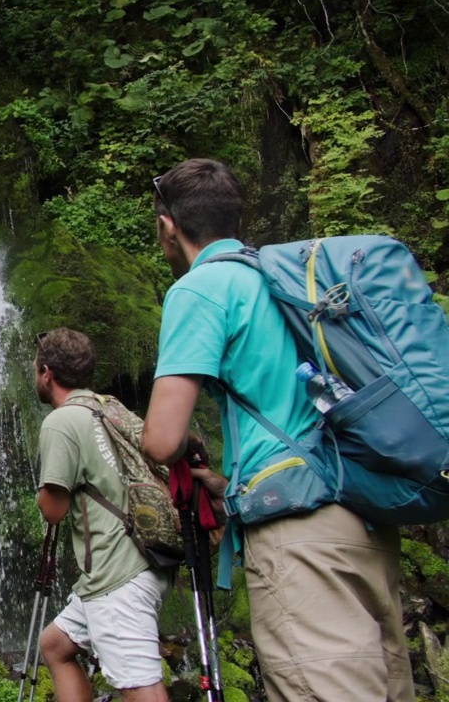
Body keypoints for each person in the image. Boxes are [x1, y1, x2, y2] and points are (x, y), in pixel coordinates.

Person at [139, 158, 414, 701]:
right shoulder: (282, 280)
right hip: (364, 519)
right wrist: (226, 483)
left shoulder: (202, 289)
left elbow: (161, 440)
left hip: (302, 539)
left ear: (169, 227)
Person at [31, 328, 168, 702]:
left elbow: (53, 510)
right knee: (55, 645)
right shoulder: (107, 408)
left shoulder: (61, 422)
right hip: (141, 559)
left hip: (116, 575)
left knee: (142, 689)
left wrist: (44, 492)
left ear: (47, 373)